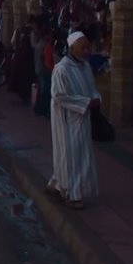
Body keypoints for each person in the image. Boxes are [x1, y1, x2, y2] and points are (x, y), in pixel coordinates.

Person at [48, 31, 101, 209]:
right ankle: (73, 194)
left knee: (80, 155)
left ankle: (58, 184)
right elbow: (58, 95)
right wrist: (85, 102)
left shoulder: (85, 66)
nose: (86, 51)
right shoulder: (62, 69)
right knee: (69, 156)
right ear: (71, 48)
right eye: (82, 47)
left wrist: (95, 98)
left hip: (83, 118)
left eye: (87, 47)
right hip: (66, 120)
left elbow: (91, 87)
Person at [33, 25, 55, 116]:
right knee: (45, 91)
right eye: (49, 35)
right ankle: (44, 110)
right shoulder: (45, 46)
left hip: (38, 69)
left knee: (41, 90)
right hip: (44, 71)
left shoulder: (39, 44)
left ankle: (39, 109)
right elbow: (46, 60)